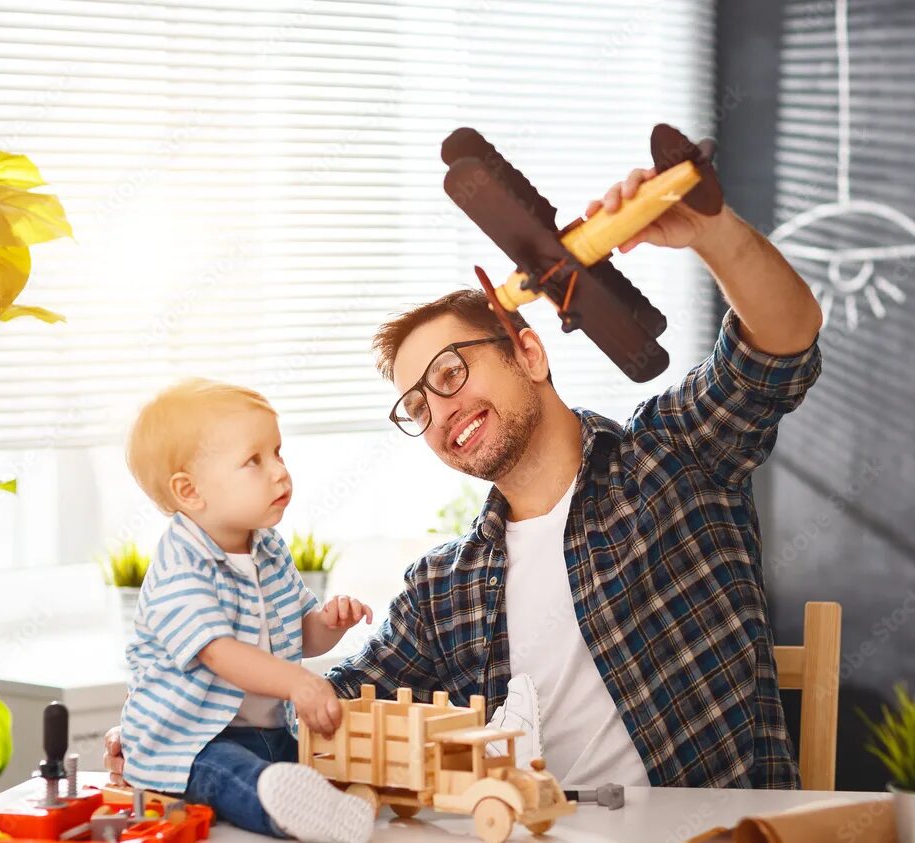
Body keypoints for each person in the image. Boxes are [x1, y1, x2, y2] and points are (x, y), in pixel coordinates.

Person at [107, 166, 823, 790]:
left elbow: (779, 346)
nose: (441, 409)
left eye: (451, 373)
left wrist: (710, 231)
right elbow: (333, 704)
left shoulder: (670, 461)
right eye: (418, 404)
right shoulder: (444, 588)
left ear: (530, 353)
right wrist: (182, 736)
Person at [121, 378, 376, 842]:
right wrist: (299, 682)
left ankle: (325, 799)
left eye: (278, 453)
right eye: (253, 461)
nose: (280, 471)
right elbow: (219, 653)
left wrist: (328, 623)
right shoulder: (181, 565)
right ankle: (278, 809)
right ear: (190, 492)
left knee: (312, 758)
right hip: (190, 741)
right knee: (227, 774)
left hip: (268, 727)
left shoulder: (269, 548)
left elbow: (302, 634)